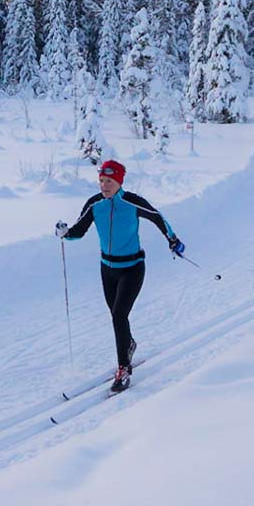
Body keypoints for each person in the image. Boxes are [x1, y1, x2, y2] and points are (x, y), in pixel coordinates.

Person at [55, 158, 182, 392]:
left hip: (133, 268)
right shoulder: (94, 204)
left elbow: (158, 217)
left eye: (109, 181)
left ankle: (124, 368)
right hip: (107, 270)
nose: (104, 185)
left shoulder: (132, 202)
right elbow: (78, 231)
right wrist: (65, 233)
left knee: (119, 315)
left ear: (119, 181)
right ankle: (129, 344)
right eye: (101, 180)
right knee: (116, 315)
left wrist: (173, 240)